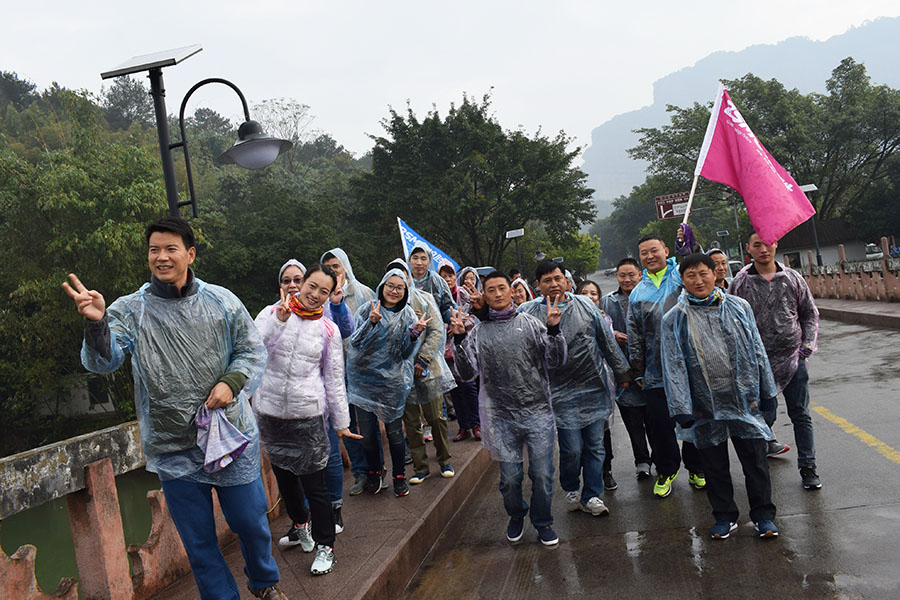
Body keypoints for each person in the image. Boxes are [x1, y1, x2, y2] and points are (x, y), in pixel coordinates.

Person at [64, 217, 286, 600]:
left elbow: (251, 350)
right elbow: (105, 361)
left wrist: (230, 384)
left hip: (229, 435)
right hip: (173, 446)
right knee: (198, 541)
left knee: (251, 522)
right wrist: (98, 324)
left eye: (170, 249)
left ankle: (264, 584)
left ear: (190, 253)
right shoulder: (132, 309)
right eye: (154, 250)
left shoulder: (222, 301)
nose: (161, 257)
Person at [254, 264, 363, 575]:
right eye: (311, 286)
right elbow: (252, 350)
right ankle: (300, 524)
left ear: (329, 296)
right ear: (301, 285)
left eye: (323, 291)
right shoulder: (270, 313)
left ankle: (326, 546)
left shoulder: (327, 330)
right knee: (285, 480)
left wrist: (341, 423)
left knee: (315, 487)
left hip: (308, 415)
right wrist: (279, 320)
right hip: (271, 413)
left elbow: (333, 379)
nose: (315, 294)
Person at [661, 253, 779, 539]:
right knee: (714, 466)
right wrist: (681, 407)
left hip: (744, 399)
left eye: (703, 273)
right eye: (691, 276)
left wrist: (768, 391)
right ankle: (724, 516)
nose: (698, 280)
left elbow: (757, 348)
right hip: (704, 406)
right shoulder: (674, 318)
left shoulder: (740, 307)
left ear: (716, 274)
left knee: (756, 462)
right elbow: (673, 364)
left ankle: (764, 515)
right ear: (683, 280)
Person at [451, 271, 566, 546]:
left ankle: (543, 522)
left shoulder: (530, 324)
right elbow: (466, 373)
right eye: (491, 290)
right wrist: (458, 340)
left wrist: (553, 330)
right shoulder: (478, 331)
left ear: (512, 292)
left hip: (537, 411)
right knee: (510, 479)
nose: (499, 294)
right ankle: (516, 515)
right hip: (500, 415)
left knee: (542, 474)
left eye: (503, 288)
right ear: (485, 296)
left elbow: (555, 361)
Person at [520, 262, 631, 517]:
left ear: (567, 281)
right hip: (557, 391)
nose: (554, 284)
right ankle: (571, 488)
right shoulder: (528, 313)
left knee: (595, 445)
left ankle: (592, 494)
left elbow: (605, 339)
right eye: (547, 280)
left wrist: (621, 370)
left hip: (593, 385)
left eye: (558, 278)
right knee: (571, 448)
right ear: (538, 285)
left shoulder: (585, 305)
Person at [730, 232, 822, 490]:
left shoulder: (792, 278)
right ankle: (759, 473)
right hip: (758, 365)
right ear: (747, 249)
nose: (763, 249)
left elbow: (810, 314)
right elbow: (731, 321)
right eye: (756, 245)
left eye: (767, 244)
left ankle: (808, 466)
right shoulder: (740, 282)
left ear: (775, 245)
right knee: (762, 418)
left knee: (801, 414)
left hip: (793, 360)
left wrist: (806, 346)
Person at [278, 259, 354, 532]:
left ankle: (333, 510)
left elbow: (344, 336)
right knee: (290, 465)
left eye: (298, 280)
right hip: (283, 410)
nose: (293, 285)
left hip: (317, 404)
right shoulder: (274, 314)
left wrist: (337, 304)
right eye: (286, 281)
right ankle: (303, 520)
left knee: (329, 455)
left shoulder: (324, 316)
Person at [627, 234, 705, 497]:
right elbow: (635, 333)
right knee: (660, 426)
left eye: (654, 250)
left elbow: (697, 268)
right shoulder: (638, 292)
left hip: (690, 365)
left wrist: (690, 246)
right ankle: (667, 470)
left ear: (666, 251)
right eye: (644, 253)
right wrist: (638, 370)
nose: (649, 256)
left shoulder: (681, 277)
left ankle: (696, 468)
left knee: (693, 420)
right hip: (655, 370)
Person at [347, 268, 429, 497]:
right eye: (390, 286)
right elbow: (355, 343)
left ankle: (399, 476)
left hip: (392, 384)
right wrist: (371, 323)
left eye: (399, 287)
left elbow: (404, 354)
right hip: (363, 382)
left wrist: (413, 335)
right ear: (382, 286)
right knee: (369, 436)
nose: (394, 291)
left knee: (394, 434)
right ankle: (375, 473)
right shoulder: (367, 309)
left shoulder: (409, 316)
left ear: (405, 291)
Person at [385, 258, 456, 485]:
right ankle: (420, 467)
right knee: (412, 423)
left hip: (428, 369)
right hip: (401, 375)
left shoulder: (424, 299)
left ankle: (445, 460)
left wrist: (423, 359)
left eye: (401, 275)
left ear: (407, 277)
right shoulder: (383, 308)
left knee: (436, 416)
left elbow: (436, 331)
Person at [320, 248, 379, 497]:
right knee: (345, 423)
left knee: (367, 421)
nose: (333, 271)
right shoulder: (321, 297)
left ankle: (376, 471)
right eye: (328, 267)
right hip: (335, 371)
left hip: (362, 368)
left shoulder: (363, 292)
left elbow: (378, 328)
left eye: (336, 266)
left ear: (345, 266)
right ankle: (360, 473)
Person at [601, 258, 653, 481]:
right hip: (622, 371)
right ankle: (642, 460)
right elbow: (599, 327)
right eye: (622, 275)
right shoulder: (608, 301)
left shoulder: (650, 297)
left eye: (631, 274)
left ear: (640, 275)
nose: (627, 279)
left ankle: (660, 458)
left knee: (654, 421)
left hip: (651, 369)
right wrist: (612, 335)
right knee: (633, 422)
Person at [575, 278, 619, 491]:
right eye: (585, 292)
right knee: (580, 432)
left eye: (594, 293)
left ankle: (606, 470)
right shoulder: (569, 318)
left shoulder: (605, 319)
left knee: (602, 428)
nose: (590, 297)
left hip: (601, 380)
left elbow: (609, 349)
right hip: (575, 384)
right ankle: (585, 475)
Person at [438, 263, 481, 441]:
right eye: (444, 276)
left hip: (464, 345)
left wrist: (461, 325)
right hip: (446, 351)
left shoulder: (463, 294)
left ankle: (476, 424)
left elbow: (474, 316)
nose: (448, 279)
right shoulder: (437, 296)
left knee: (469, 386)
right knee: (455, 390)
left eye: (451, 276)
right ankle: (463, 427)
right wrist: (445, 326)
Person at [408, 242, 456, 324]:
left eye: (423, 259)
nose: (419, 262)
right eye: (415, 258)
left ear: (429, 261)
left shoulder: (437, 281)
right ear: (409, 260)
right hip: (409, 331)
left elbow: (445, 309)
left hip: (434, 330)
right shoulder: (404, 281)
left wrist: (455, 315)